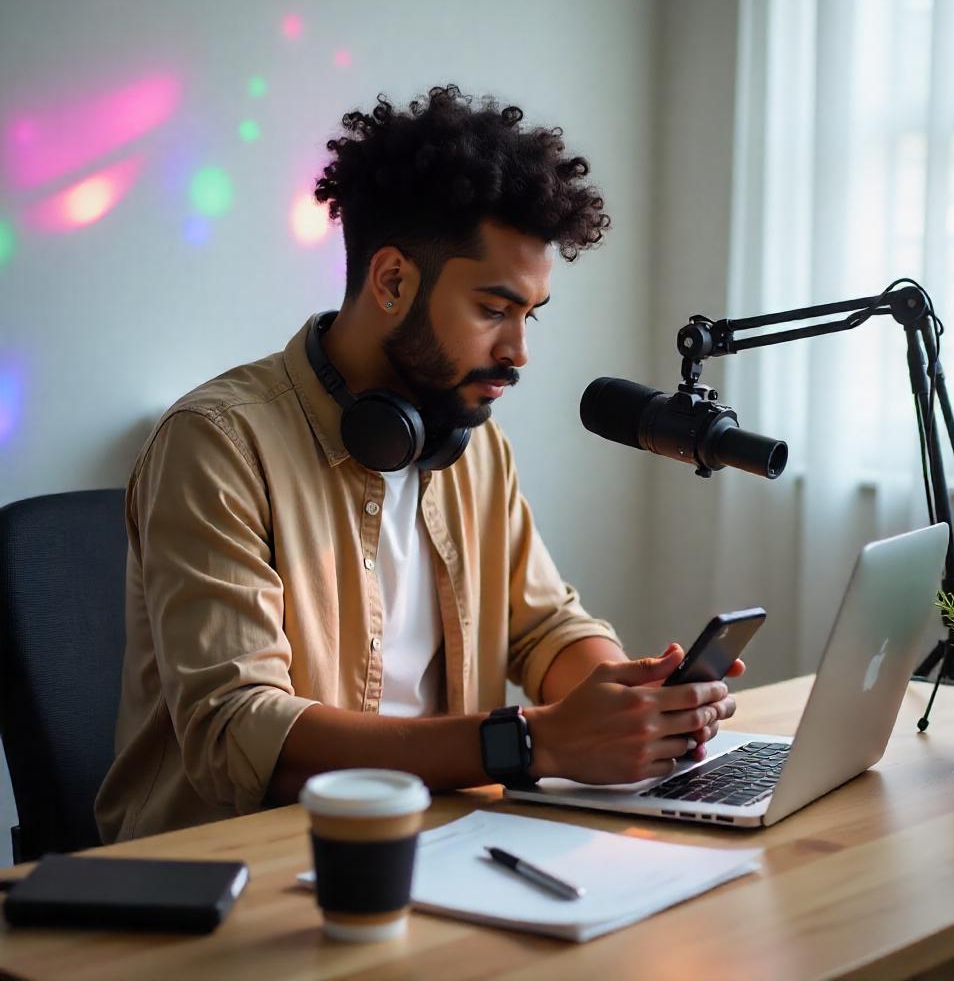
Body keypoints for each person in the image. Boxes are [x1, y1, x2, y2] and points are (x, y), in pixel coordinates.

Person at [95, 85, 743, 843]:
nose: (518, 352)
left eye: (529, 316)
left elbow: (542, 627)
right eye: (494, 310)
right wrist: (536, 741)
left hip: (434, 845)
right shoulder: (216, 445)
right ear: (394, 280)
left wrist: (626, 696)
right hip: (233, 880)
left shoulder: (472, 441)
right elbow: (241, 732)